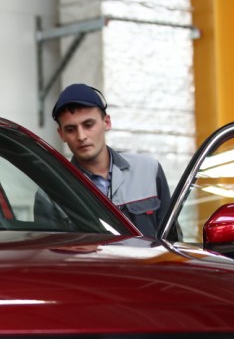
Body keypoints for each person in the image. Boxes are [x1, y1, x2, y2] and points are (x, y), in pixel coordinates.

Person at [52, 83, 171, 237]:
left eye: (89, 125)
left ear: (106, 122)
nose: (81, 136)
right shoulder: (51, 189)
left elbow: (171, 239)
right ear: (61, 134)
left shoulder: (148, 169)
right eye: (70, 129)